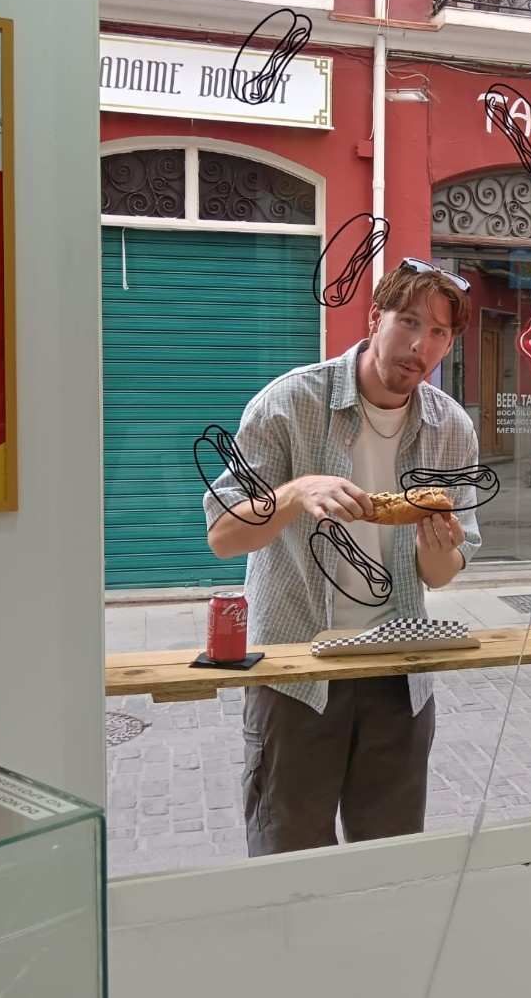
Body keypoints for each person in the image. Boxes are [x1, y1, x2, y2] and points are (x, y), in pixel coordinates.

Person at [203, 259, 481, 855]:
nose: (419, 345)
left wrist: (440, 552)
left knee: (391, 860)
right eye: (408, 322)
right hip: (299, 674)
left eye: (438, 333)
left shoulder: (450, 428)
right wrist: (295, 493)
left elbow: (443, 573)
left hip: (398, 678)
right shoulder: (289, 403)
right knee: (288, 857)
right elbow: (224, 534)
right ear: (374, 317)